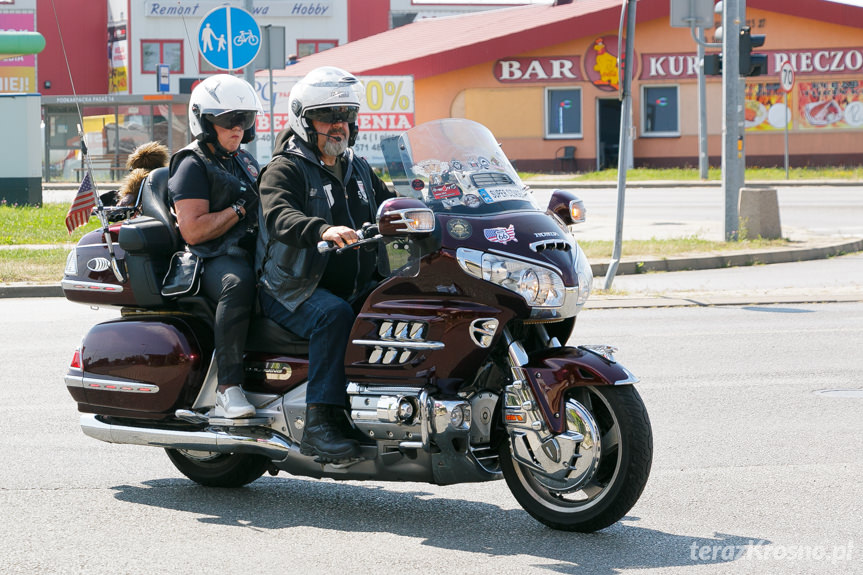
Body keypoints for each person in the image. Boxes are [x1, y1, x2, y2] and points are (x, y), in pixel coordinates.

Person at [256, 66, 394, 462]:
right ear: (304, 121)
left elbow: (392, 205)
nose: (340, 125)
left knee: (400, 300)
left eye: (346, 116)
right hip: (292, 287)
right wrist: (322, 230)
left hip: (350, 281)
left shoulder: (358, 168)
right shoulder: (285, 168)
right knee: (332, 316)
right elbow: (279, 216)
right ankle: (319, 425)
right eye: (329, 116)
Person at [168, 74, 263, 419]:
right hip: (213, 257)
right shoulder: (191, 164)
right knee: (237, 285)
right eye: (228, 121)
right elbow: (193, 231)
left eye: (244, 119)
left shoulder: (245, 160)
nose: (238, 128)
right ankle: (229, 386)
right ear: (206, 122)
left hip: (253, 248)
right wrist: (239, 210)